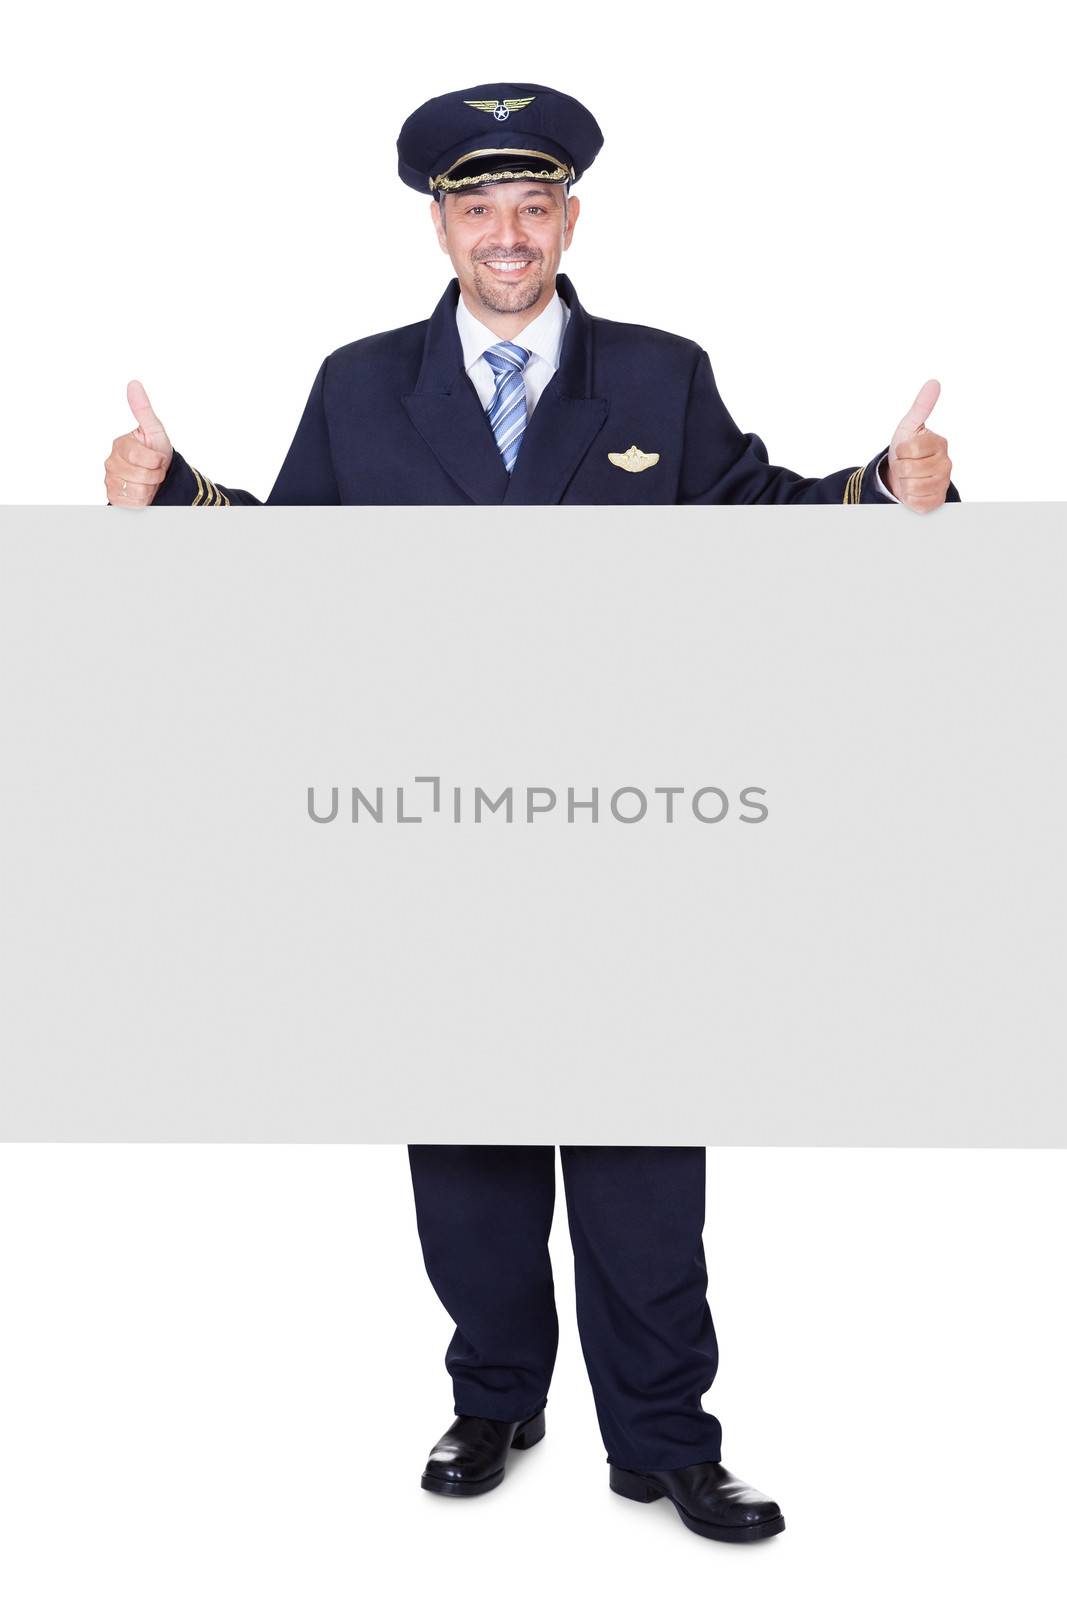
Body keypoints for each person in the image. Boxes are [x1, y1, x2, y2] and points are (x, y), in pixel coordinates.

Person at [102, 83, 959, 1543]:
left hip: (622, 826)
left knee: (641, 1160)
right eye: (475, 206)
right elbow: (297, 570)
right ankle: (495, 1395)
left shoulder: (657, 374)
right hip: (436, 829)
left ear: (572, 215)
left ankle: (668, 1441)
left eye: (533, 204)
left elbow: (748, 521)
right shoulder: (361, 384)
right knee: (470, 1154)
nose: (507, 234)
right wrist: (176, 498)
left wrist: (887, 492)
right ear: (438, 221)